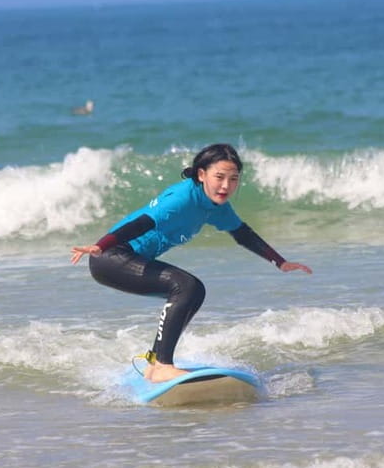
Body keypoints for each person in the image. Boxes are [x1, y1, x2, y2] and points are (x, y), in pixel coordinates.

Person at [71, 143, 312, 383]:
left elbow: (242, 233)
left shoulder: (216, 207)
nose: (226, 185)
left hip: (123, 257)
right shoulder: (183, 198)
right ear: (201, 174)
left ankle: (155, 364)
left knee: (192, 292)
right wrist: (102, 245)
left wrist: (280, 262)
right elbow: (144, 222)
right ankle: (163, 366)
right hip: (111, 257)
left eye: (233, 179)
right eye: (219, 177)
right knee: (187, 287)